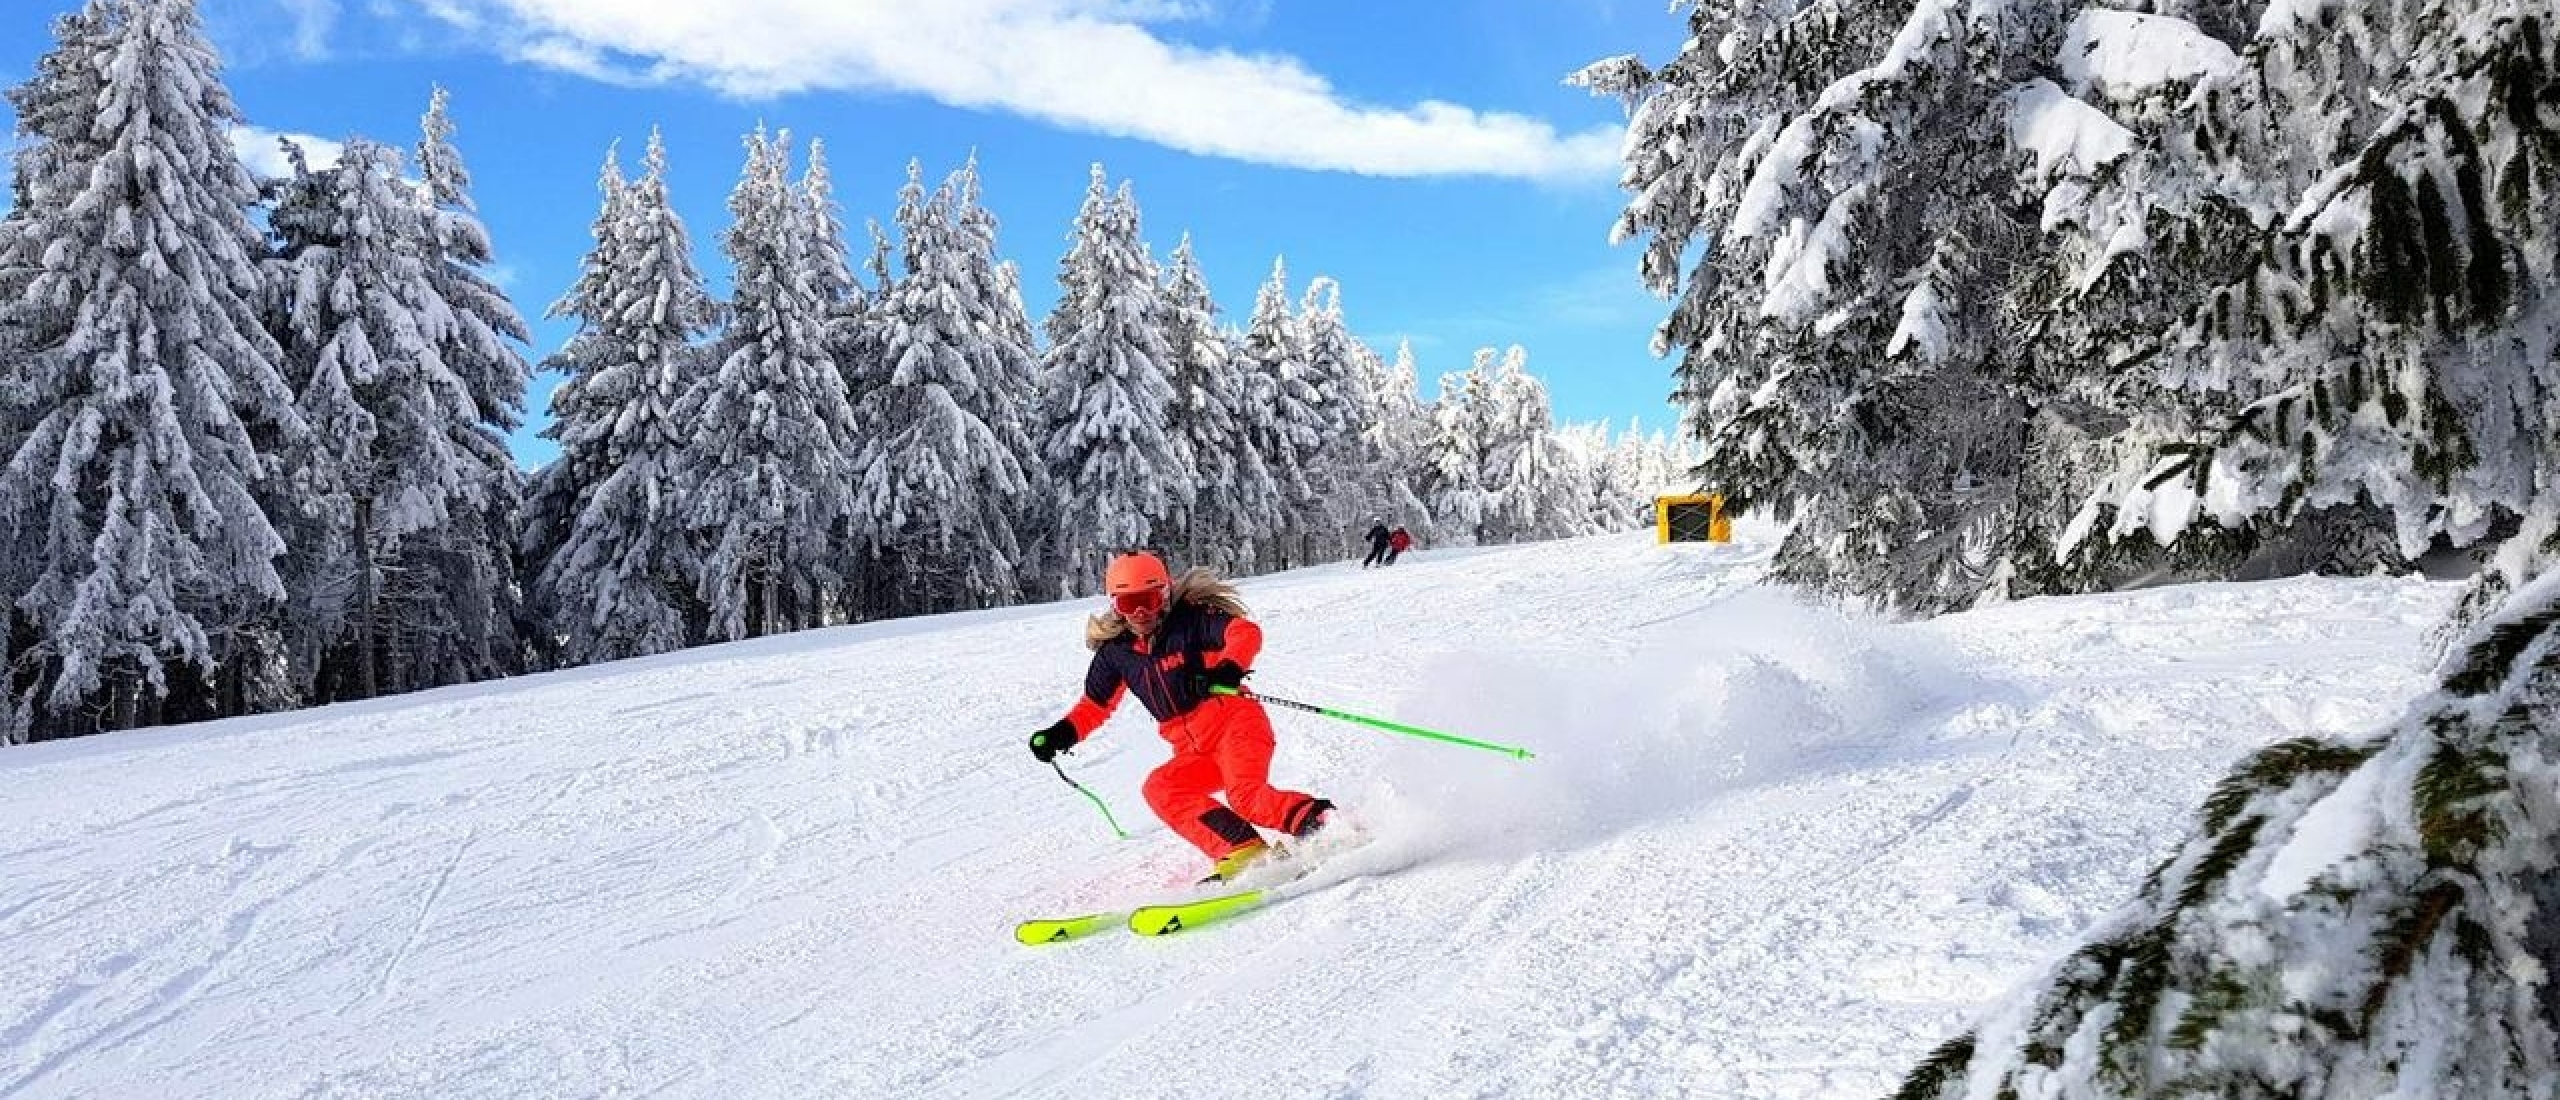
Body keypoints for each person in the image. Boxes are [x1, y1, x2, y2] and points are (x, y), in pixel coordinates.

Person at [1028, 552, 1335, 882]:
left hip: (1236, 726)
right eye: (1128, 604)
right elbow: (1094, 706)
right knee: (1162, 788)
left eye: (1148, 599)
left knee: (1245, 796)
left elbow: (1245, 633)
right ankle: (1242, 847)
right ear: (1115, 605)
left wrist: (1228, 669)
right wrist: (1060, 735)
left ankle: (1323, 825)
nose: (1141, 612)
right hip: (1193, 751)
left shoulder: (1193, 621)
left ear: (1165, 593)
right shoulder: (1116, 653)